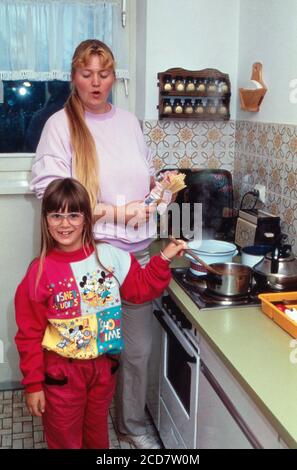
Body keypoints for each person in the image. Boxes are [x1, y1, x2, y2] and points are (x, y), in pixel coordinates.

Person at [29, 39, 167, 449]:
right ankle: (82, 432)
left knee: (137, 351)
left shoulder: (128, 122)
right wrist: (116, 213)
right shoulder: (60, 125)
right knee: (87, 352)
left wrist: (160, 191)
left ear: (114, 76)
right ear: (74, 76)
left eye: (103, 74)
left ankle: (130, 425)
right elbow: (50, 193)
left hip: (136, 253)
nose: (95, 82)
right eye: (86, 74)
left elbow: (144, 176)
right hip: (88, 261)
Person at [15, 178, 187, 449]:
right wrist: (34, 385)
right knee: (64, 438)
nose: (65, 223)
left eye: (74, 214)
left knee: (96, 435)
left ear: (86, 218)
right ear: (45, 220)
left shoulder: (111, 256)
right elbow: (28, 335)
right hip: (62, 374)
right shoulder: (39, 272)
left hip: (103, 370)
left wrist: (164, 257)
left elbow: (140, 289)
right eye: (56, 215)